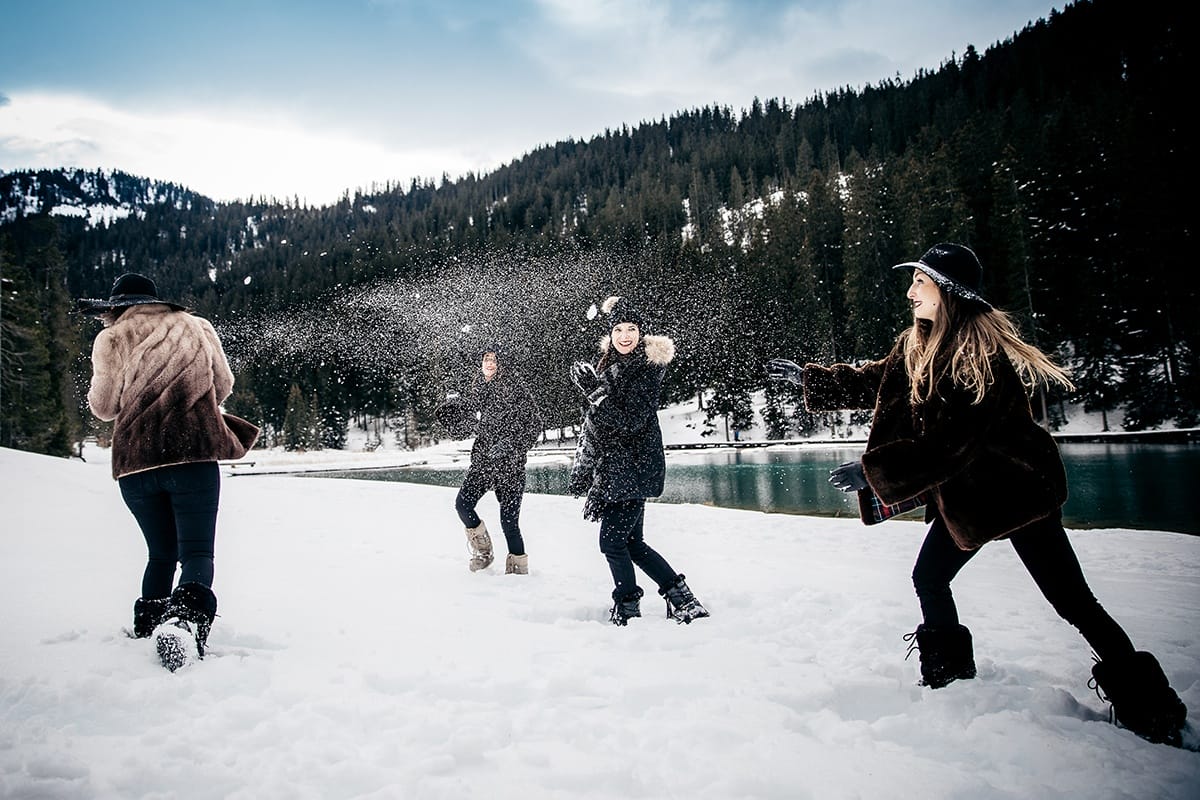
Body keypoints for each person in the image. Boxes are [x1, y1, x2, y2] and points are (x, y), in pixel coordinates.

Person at [766, 243, 1188, 746]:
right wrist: (813, 381)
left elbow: (950, 444)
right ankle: (949, 681)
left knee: (1073, 602)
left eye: (919, 283)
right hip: (967, 496)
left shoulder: (977, 358)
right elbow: (876, 381)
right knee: (929, 576)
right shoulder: (916, 343)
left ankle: (1153, 711)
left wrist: (871, 471)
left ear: (947, 292)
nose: (910, 292)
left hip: (1016, 493)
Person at [80, 273, 259, 671]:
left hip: (135, 463)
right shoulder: (197, 327)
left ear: (118, 307)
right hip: (192, 455)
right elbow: (223, 385)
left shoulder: (111, 339)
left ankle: (148, 626)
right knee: (196, 551)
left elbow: (105, 407)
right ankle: (184, 622)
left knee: (160, 553)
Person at [569, 296, 709, 626]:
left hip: (634, 467)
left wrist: (594, 392)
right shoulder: (606, 366)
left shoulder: (647, 369)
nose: (625, 335)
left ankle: (629, 607)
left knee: (612, 542)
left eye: (631, 329)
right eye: (618, 329)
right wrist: (583, 469)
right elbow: (594, 423)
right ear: (611, 333)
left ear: (641, 333)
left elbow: (629, 421)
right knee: (632, 543)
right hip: (613, 468)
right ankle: (681, 597)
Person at [451, 344, 542, 574]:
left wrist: (512, 445)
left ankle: (518, 571)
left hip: (510, 466)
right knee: (463, 505)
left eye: (494, 359)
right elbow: (467, 424)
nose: (489, 363)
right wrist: (454, 420)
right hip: (483, 462)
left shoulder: (515, 388)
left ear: (502, 363)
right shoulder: (477, 388)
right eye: (486, 359)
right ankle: (483, 551)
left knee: (509, 523)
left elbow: (535, 425)